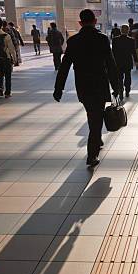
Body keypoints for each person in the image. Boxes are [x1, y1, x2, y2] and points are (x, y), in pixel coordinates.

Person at [53, 9, 120, 167]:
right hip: (99, 85)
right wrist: (116, 86)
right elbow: (111, 64)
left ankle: (97, 139)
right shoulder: (102, 39)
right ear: (95, 21)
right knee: (95, 120)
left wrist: (58, 88)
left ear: (80, 23)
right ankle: (92, 155)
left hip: (83, 87)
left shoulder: (74, 41)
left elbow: (64, 66)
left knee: (93, 116)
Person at [112, 24, 138, 98]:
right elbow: (133, 51)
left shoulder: (115, 40)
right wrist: (136, 61)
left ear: (120, 30)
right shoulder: (131, 40)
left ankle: (120, 90)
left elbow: (113, 52)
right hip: (127, 61)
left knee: (119, 77)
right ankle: (127, 90)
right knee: (128, 76)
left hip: (118, 62)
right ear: (128, 30)